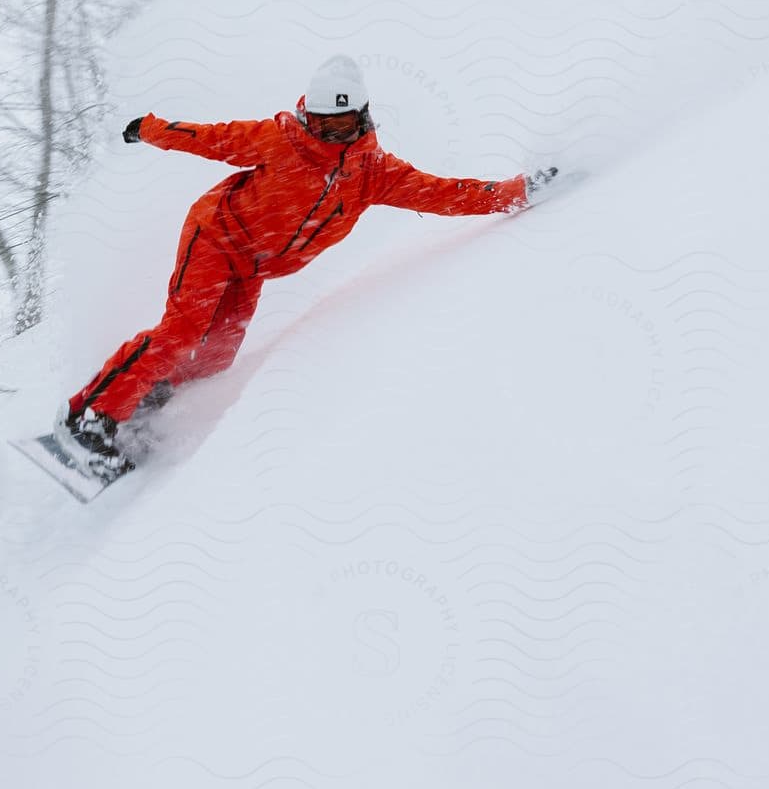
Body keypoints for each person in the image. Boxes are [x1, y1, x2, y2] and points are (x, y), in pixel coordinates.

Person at [58, 54, 559, 480]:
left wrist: (515, 193)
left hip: (253, 266)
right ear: (308, 116)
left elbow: (445, 193)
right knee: (184, 329)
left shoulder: (374, 174)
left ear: (362, 118)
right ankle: (91, 416)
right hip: (215, 237)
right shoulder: (278, 141)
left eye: (342, 125)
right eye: (323, 124)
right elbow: (207, 137)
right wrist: (149, 129)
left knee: (215, 358)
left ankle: (149, 390)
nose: (332, 134)